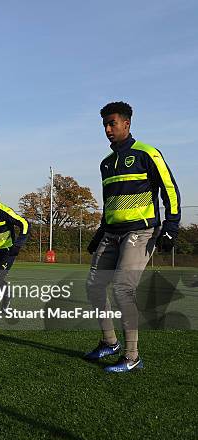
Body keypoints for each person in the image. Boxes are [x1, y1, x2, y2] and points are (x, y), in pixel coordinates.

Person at [84, 101, 180, 373]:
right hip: (110, 233)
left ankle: (132, 356)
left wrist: (171, 227)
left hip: (140, 231)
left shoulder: (147, 153)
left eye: (112, 123)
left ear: (127, 123)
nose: (107, 129)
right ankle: (109, 342)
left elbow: (169, 188)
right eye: (104, 124)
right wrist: (99, 233)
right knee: (93, 287)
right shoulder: (106, 163)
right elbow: (110, 204)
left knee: (123, 289)